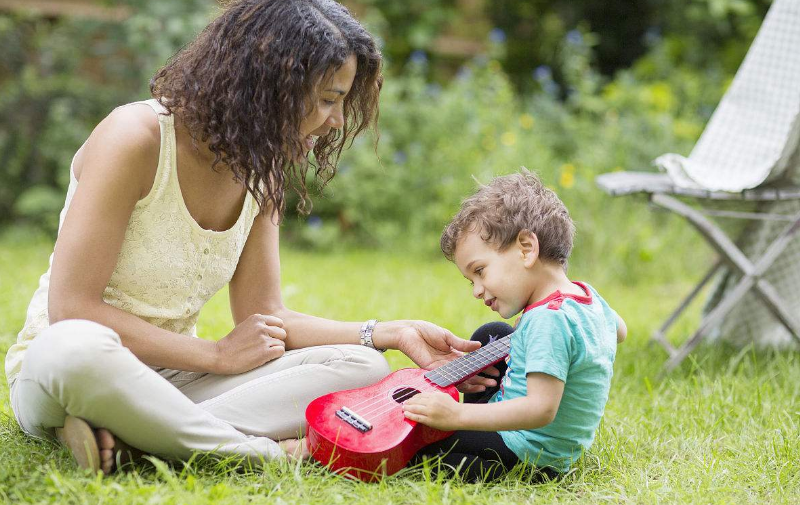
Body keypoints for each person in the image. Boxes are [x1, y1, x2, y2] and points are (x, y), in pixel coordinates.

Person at [5, 0, 496, 476]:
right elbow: (72, 309)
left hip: (177, 382)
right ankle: (262, 453)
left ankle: (140, 436)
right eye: (329, 99)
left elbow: (268, 316)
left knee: (361, 366)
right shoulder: (135, 137)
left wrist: (390, 332)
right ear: (271, 83)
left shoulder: (261, 170)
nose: (338, 121)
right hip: (71, 368)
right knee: (75, 347)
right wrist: (215, 356)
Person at [403, 170, 627, 482]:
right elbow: (619, 330)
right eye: (471, 280)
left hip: (529, 450)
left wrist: (457, 415)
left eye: (480, 271)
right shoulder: (584, 297)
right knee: (491, 336)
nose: (476, 290)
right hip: (553, 444)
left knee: (418, 450)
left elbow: (540, 409)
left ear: (526, 249)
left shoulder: (549, 319)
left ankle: (499, 470)